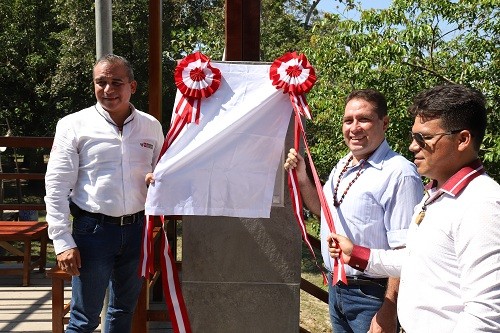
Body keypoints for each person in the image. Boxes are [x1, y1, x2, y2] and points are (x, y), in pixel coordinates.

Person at [328, 84, 500, 332]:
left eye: (425, 138)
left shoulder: (481, 204)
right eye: (414, 136)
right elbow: (417, 259)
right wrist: (358, 254)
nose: (413, 146)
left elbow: (486, 316)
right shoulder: (436, 194)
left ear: (463, 139)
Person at [284, 89, 423, 332]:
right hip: (338, 290)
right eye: (348, 120)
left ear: (385, 123)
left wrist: (388, 309)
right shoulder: (343, 165)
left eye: (364, 119)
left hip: (374, 296)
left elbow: (405, 252)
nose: (354, 127)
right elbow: (322, 210)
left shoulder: (399, 173)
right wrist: (302, 176)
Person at [44, 54, 164, 333]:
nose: (108, 90)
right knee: (84, 318)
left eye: (116, 82)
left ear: (132, 86)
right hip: (93, 232)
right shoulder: (74, 125)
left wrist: (156, 180)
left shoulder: (151, 126)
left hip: (137, 230)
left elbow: (162, 172)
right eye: (101, 82)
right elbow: (57, 186)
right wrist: (62, 241)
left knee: (123, 311)